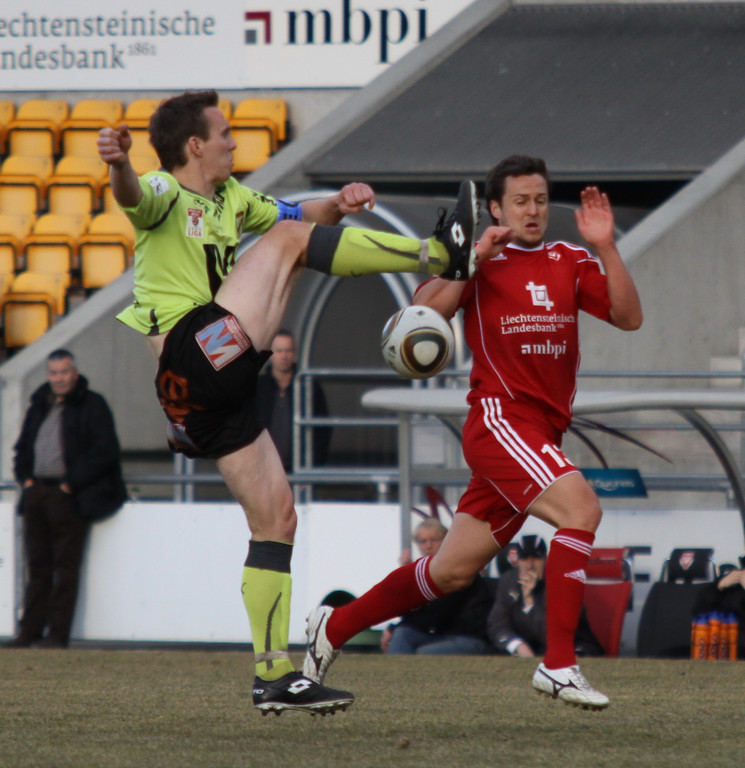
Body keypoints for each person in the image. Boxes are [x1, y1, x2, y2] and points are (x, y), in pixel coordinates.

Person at [96, 89, 492, 716]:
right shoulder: (166, 190)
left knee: (277, 520)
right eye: (223, 133)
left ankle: (273, 675)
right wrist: (118, 162)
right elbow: (132, 197)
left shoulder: (233, 199)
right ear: (194, 145)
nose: (233, 142)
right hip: (193, 355)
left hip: (206, 391)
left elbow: (307, 214)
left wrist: (340, 202)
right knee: (286, 243)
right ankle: (442, 254)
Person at [303, 155, 642, 710]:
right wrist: (471, 258)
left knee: (452, 571)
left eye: (540, 200)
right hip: (500, 422)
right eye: (520, 201)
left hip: (540, 436)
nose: (533, 210)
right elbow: (419, 313)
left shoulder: (570, 259)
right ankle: (558, 664)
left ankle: (335, 625)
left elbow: (629, 317)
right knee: (581, 510)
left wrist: (605, 246)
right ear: (496, 209)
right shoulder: (481, 263)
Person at [3, 349, 127, 649]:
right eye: (53, 373)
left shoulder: (93, 404)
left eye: (64, 372)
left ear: (75, 372)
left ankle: (57, 635)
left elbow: (105, 450)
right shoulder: (39, 404)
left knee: (65, 568)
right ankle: (29, 632)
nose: (58, 378)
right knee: (37, 566)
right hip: (37, 493)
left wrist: (70, 485)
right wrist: (26, 479)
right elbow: (22, 448)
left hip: (69, 497)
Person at [381, 519, 493, 655]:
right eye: (423, 541)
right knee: (402, 634)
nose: (428, 546)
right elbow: (407, 611)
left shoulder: (459, 568)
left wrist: (393, 628)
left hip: (466, 637)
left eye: (434, 540)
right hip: (439, 634)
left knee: (424, 653)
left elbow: (438, 614)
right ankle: (394, 668)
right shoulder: (426, 572)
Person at [487, 535, 603, 658]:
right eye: (525, 559)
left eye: (536, 559)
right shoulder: (508, 581)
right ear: (518, 561)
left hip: (572, 646)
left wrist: (529, 602)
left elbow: (553, 634)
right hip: (528, 646)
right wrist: (517, 645)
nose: (530, 565)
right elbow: (496, 624)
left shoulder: (561, 583)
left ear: (545, 560)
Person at [255, 329, 331, 472]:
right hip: (264, 469)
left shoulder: (309, 387)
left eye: (288, 351)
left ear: (295, 354)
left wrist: (313, 468)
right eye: (279, 351)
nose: (284, 356)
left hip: (300, 470)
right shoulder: (258, 387)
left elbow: (323, 429)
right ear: (270, 354)